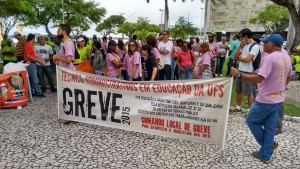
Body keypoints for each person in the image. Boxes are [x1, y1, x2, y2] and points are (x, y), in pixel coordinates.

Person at [231, 33, 293, 164]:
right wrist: (280, 86)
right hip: (278, 98)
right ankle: (265, 154)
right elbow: (289, 77)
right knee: (270, 127)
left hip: (265, 99)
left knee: (251, 121)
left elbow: (259, 78)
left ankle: (267, 146)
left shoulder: (270, 58)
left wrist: (239, 74)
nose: (263, 45)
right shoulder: (286, 56)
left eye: (266, 43)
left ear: (273, 45)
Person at [233, 28, 260, 112]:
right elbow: (235, 56)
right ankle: (238, 107)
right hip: (240, 69)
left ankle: (250, 110)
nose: (240, 38)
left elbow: (248, 59)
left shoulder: (255, 46)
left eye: (241, 36)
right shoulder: (243, 45)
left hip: (248, 71)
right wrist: (240, 47)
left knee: (249, 92)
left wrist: (239, 58)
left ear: (245, 36)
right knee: (238, 90)